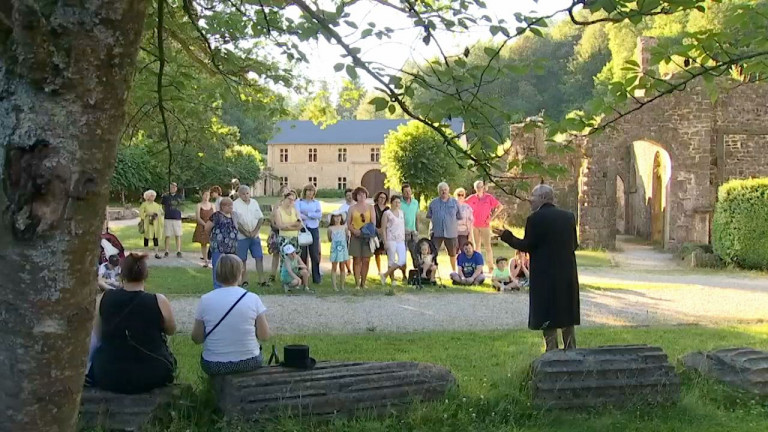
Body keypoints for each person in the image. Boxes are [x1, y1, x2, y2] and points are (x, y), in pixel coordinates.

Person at [494, 183, 580, 352]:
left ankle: (551, 353)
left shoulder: (535, 219)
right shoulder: (568, 217)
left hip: (544, 274)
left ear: (542, 198)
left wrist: (506, 236)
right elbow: (574, 245)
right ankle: (572, 352)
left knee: (547, 314)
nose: (530, 201)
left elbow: (527, 245)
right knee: (566, 313)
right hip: (566, 273)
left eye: (532, 198)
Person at [90, 253, 176, 394]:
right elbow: (171, 330)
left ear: (122, 274)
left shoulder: (105, 298)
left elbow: (98, 334)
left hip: (109, 373)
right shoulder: (159, 301)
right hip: (152, 373)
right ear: (145, 275)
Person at [191, 254, 270, 375]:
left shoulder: (205, 300)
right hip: (249, 360)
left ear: (217, 274)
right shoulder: (253, 299)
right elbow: (264, 336)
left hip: (214, 363)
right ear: (240, 273)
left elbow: (197, 338)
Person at [466, 180, 503, 271]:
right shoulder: (472, 198)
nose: (479, 188)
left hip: (485, 225)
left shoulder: (488, 197)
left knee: (487, 246)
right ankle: (478, 266)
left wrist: (491, 218)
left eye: (481, 187)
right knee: (476, 246)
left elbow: (500, 206)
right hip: (475, 225)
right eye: (477, 187)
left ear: (483, 188)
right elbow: (463, 204)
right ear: (475, 188)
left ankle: (490, 267)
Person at [233, 185, 265, 288]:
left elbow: (260, 218)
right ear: (239, 194)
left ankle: (262, 279)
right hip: (242, 236)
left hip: (255, 235)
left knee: (259, 257)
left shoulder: (254, 203)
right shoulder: (235, 205)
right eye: (243, 194)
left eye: (247, 193)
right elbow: (236, 222)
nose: (246, 196)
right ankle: (244, 280)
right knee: (242, 259)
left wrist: (255, 231)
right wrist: (246, 233)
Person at [427, 182, 462, 272]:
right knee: (433, 253)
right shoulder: (433, 203)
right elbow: (429, 217)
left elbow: (459, 216)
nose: (444, 192)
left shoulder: (455, 203)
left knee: (453, 253)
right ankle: (432, 272)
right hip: (437, 232)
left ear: (448, 190)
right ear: (438, 191)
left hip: (451, 233)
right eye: (441, 190)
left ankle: (454, 271)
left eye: (445, 190)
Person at [205, 198, 239, 289]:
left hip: (231, 248)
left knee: (230, 268)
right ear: (223, 206)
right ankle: (217, 287)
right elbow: (207, 228)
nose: (231, 207)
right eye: (229, 206)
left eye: (232, 205)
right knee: (218, 268)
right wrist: (213, 238)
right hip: (219, 247)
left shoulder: (234, 215)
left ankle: (229, 286)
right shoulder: (216, 216)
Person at [347, 186, 376, 289]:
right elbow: (349, 223)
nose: (362, 196)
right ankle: (357, 283)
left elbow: (373, 222)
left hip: (367, 237)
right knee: (357, 259)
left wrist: (365, 231)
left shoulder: (370, 207)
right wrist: (354, 231)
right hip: (355, 236)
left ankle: (364, 282)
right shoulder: (352, 208)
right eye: (359, 194)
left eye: (363, 194)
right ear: (356, 196)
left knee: (366, 259)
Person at [295, 184, 323, 284]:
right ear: (305, 191)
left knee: (314, 254)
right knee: (303, 254)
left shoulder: (316, 203)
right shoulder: (299, 202)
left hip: (313, 228)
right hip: (303, 228)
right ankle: (303, 277)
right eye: (308, 190)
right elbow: (298, 214)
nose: (310, 193)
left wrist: (308, 214)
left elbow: (319, 214)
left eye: (312, 191)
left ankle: (316, 277)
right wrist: (310, 215)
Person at [381, 195, 406, 285]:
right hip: (391, 239)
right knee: (391, 260)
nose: (397, 204)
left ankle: (385, 274)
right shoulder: (387, 213)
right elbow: (383, 228)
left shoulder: (402, 213)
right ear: (391, 203)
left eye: (399, 202)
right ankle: (392, 279)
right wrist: (385, 241)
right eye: (395, 202)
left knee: (402, 260)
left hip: (400, 239)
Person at [273, 191, 302, 266]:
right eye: (289, 199)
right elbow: (280, 226)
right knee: (285, 260)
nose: (291, 201)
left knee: (295, 260)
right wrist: (293, 225)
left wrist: (287, 226)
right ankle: (285, 277)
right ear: (284, 198)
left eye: (293, 200)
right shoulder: (278, 211)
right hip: (284, 238)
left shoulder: (295, 210)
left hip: (295, 238)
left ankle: (295, 276)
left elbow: (299, 224)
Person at [327, 210, 349, 291]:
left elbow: (346, 237)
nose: (337, 219)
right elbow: (329, 238)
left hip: (342, 248)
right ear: (333, 218)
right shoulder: (330, 228)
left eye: (339, 216)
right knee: (334, 266)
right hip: (335, 248)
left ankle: (342, 285)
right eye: (335, 217)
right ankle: (334, 286)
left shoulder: (344, 227)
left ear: (341, 217)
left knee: (342, 266)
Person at [334, 188, 355, 275]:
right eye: (347, 196)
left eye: (351, 195)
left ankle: (355, 270)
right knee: (344, 251)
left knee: (354, 252)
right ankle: (348, 269)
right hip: (344, 231)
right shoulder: (342, 208)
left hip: (355, 231)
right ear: (345, 197)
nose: (349, 197)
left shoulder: (356, 206)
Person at [161, 182, 184, 258]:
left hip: (177, 218)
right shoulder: (165, 196)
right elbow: (163, 206)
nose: (173, 188)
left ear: (176, 188)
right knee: (167, 235)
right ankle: (167, 251)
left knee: (178, 235)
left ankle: (178, 251)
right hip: (168, 218)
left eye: (174, 187)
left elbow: (181, 206)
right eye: (171, 187)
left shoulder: (179, 196)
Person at [139, 189, 164, 259]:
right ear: (148, 197)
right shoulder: (144, 205)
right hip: (147, 223)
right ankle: (145, 253)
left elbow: (161, 212)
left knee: (155, 237)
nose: (153, 197)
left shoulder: (157, 205)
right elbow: (141, 214)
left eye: (154, 196)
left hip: (155, 224)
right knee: (146, 238)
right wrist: (147, 214)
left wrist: (157, 214)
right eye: (152, 196)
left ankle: (156, 253)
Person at [193, 189, 215, 268]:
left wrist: (211, 225)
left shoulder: (212, 205)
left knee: (213, 243)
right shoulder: (199, 205)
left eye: (208, 195)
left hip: (212, 226)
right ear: (202, 196)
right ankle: (205, 260)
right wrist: (205, 225)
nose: (206, 197)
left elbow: (215, 216)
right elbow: (198, 217)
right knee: (204, 243)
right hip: (202, 226)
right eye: (205, 195)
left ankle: (212, 259)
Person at [400, 183, 420, 268]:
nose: (408, 193)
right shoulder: (399, 203)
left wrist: (417, 230)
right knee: (402, 254)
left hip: (413, 232)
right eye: (406, 192)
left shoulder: (415, 202)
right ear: (402, 193)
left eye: (409, 191)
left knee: (415, 253)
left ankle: (417, 272)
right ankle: (404, 274)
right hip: (402, 232)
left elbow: (416, 217)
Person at [372, 191, 390, 277]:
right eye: (380, 197)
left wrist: (384, 230)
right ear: (377, 198)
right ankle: (379, 270)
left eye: (384, 198)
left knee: (387, 251)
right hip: (376, 231)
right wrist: (376, 229)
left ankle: (388, 270)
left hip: (385, 232)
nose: (382, 199)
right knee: (377, 252)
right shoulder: (373, 208)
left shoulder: (387, 209)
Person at [455, 188, 475, 253]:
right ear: (455, 195)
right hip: (452, 232)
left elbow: (470, 222)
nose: (460, 196)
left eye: (462, 195)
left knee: (464, 250)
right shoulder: (451, 207)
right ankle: (454, 263)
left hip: (463, 232)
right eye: (459, 195)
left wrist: (470, 235)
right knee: (453, 252)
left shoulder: (467, 208)